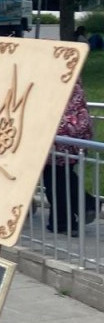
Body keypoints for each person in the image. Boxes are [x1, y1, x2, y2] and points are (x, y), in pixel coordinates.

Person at [43, 80, 97, 236]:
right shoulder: (70, 80)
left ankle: (64, 221)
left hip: (60, 134)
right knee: (60, 176)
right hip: (70, 134)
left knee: (55, 178)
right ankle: (80, 208)